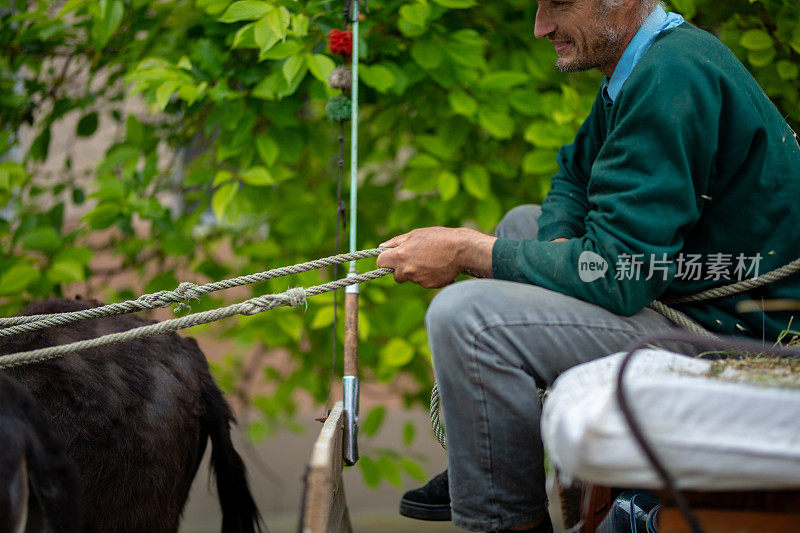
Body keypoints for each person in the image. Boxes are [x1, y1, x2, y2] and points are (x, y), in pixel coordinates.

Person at [376, 0, 800, 531]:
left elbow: (621, 274)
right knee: (520, 223)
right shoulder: (640, 64)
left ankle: (504, 517)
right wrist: (555, 253)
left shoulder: (672, 75)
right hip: (681, 289)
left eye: (557, 4)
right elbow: (573, 177)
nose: (540, 27)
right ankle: (498, 464)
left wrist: (465, 250)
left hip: (733, 334)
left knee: (467, 318)